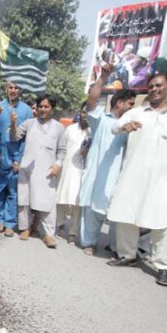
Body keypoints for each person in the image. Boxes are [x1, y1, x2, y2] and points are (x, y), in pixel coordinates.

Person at [106, 73, 167, 287]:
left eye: (159, 85)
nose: (154, 89)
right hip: (133, 175)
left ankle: (163, 266)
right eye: (151, 86)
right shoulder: (137, 112)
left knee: (162, 222)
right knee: (126, 214)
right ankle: (127, 256)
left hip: (162, 180)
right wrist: (123, 127)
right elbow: (114, 126)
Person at [78, 64, 136, 256]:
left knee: (118, 213)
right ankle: (89, 242)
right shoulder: (102, 120)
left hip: (121, 177)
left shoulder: (132, 126)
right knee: (94, 210)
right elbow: (92, 99)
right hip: (99, 175)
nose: (131, 108)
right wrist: (103, 76)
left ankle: (117, 247)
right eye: (130, 104)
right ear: (119, 103)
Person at [12, 95, 66, 248]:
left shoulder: (58, 127)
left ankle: (49, 234)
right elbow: (14, 137)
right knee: (25, 199)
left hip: (47, 170)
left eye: (46, 106)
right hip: (27, 167)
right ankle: (25, 228)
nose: (42, 109)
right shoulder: (29, 123)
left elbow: (62, 150)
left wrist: (58, 164)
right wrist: (13, 124)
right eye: (40, 106)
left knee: (47, 201)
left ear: (52, 109)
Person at [0, 82, 33, 236]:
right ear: (6, 89)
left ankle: (10, 223)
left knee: (12, 191)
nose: (13, 90)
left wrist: (19, 158)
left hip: (15, 156)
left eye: (16, 88)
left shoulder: (27, 111)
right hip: (0, 155)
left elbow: (27, 137)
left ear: (21, 90)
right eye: (11, 87)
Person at [55, 103, 90, 244]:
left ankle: (73, 233)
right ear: (79, 112)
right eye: (84, 112)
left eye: (88, 112)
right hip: (67, 168)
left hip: (83, 170)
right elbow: (62, 149)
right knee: (61, 197)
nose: (86, 115)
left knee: (77, 202)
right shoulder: (69, 129)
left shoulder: (93, 131)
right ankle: (59, 224)